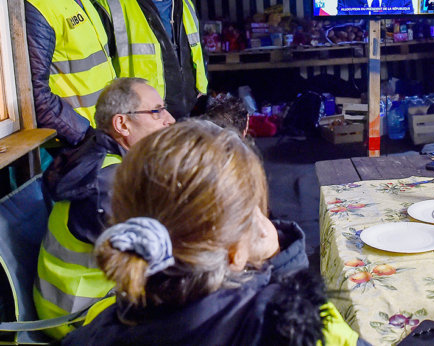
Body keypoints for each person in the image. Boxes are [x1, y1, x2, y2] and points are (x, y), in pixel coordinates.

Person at [63, 120, 369, 346]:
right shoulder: (299, 330)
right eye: (255, 213)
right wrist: (285, 272)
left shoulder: (98, 322)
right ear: (235, 253)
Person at [34, 78, 175, 337]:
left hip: (88, 302)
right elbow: (157, 262)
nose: (170, 119)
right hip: (81, 317)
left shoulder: (110, 160)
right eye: (156, 111)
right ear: (122, 124)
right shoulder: (108, 183)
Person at [21, 0, 117, 145]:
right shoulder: (34, 1)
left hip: (102, 131)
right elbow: (34, 93)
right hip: (79, 143)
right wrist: (85, 137)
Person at [96, 0, 207, 120]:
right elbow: (100, 70)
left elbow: (196, 49)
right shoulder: (109, 7)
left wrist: (198, 88)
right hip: (141, 118)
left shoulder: (184, 1)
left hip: (184, 112)